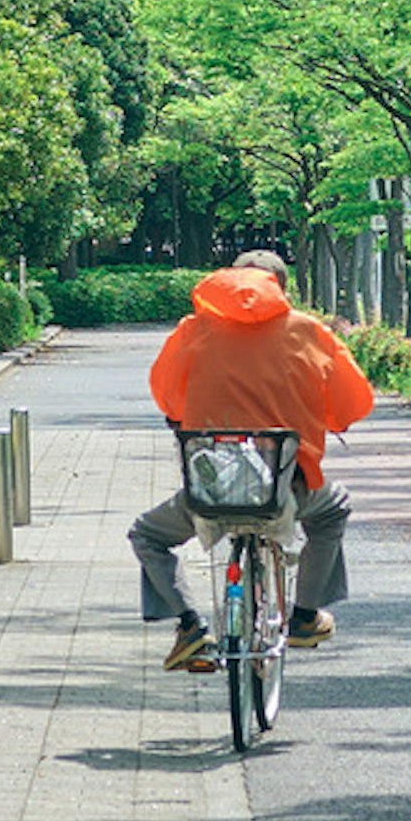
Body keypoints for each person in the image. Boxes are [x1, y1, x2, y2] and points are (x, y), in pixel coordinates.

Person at [134, 250, 375, 668]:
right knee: (333, 509)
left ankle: (190, 626)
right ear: (281, 289)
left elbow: (168, 398)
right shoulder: (309, 332)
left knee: (147, 535)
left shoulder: (194, 329)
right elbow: (354, 403)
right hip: (285, 487)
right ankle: (304, 616)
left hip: (211, 490)